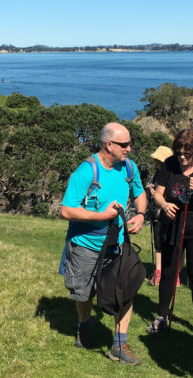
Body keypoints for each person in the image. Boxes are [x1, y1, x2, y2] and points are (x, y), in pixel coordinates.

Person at [60, 122, 147, 365]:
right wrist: (101, 217)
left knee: (126, 288)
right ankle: (83, 324)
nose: (129, 148)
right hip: (86, 245)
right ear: (108, 145)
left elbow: (139, 193)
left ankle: (119, 344)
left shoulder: (129, 168)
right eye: (124, 144)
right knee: (84, 293)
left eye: (130, 143)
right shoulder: (86, 172)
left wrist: (140, 214)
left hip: (117, 245)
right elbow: (67, 210)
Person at [146, 129, 193, 339]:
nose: (182, 158)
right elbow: (158, 196)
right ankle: (161, 317)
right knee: (168, 272)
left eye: (187, 154)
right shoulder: (169, 163)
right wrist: (165, 204)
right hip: (172, 226)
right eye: (179, 153)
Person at [147, 145, 173, 286]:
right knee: (158, 242)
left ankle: (172, 273)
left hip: (168, 212)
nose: (155, 162)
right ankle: (158, 272)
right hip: (157, 213)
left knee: (170, 242)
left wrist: (158, 194)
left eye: (157, 160)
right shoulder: (157, 174)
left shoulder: (171, 174)